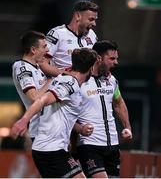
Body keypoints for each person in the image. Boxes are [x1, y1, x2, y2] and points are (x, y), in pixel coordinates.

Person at [10, 48, 98, 178]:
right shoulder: (70, 84)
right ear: (90, 68)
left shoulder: (63, 79)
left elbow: (62, 113)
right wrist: (24, 121)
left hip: (51, 149)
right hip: (51, 151)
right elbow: (43, 99)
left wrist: (80, 129)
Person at [73, 40, 133, 178]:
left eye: (116, 58)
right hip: (89, 144)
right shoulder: (79, 81)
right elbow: (66, 113)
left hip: (113, 144)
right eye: (112, 58)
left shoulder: (112, 80)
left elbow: (118, 103)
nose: (116, 62)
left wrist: (127, 126)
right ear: (98, 58)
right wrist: (78, 130)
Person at [38, 0, 99, 76]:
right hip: (62, 84)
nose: (94, 24)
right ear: (78, 16)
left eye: (95, 20)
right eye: (91, 19)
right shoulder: (57, 33)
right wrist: (67, 75)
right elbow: (42, 63)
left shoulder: (92, 35)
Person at [12, 31, 51, 142]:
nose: (47, 50)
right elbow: (33, 97)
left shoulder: (37, 68)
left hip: (49, 130)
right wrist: (49, 82)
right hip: (40, 131)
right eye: (44, 46)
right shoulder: (21, 66)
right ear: (33, 50)